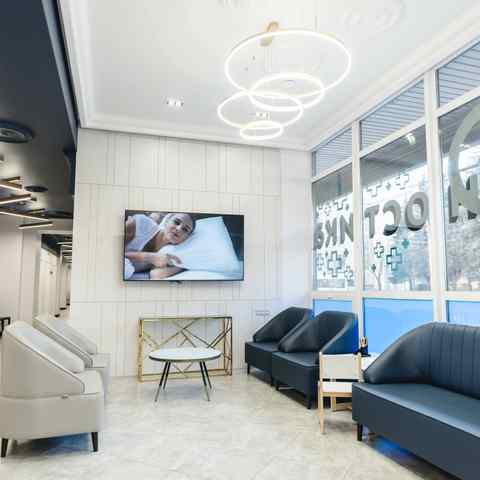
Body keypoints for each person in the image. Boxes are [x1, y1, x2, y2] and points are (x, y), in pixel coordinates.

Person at [124, 212, 195, 279]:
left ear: (186, 237)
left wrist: (183, 265)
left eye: (185, 229)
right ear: (166, 221)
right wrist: (149, 257)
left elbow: (155, 275)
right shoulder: (141, 224)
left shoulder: (169, 253)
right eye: (176, 222)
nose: (178, 229)